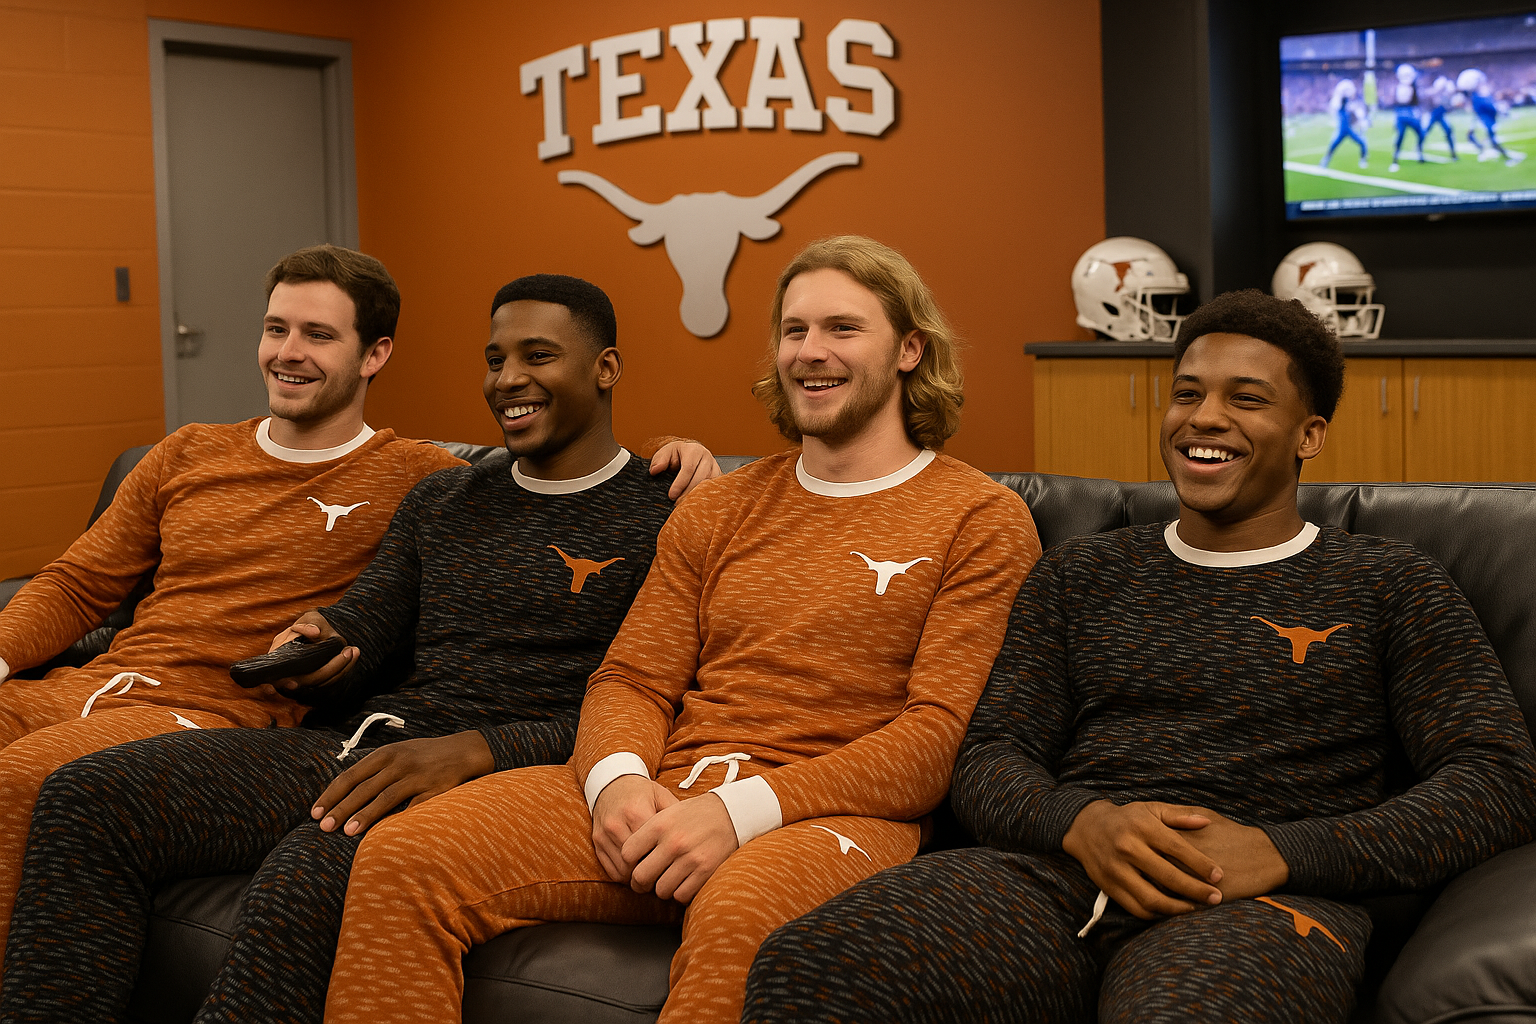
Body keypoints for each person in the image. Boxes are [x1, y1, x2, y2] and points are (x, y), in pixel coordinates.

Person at [741, 289, 1536, 1024]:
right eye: (1187, 394)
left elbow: (1497, 781)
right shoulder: (1081, 574)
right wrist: (1081, 822)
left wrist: (1285, 852)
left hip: (1257, 904)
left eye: (1247, 399)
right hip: (1049, 878)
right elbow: (990, 755)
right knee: (811, 965)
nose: (1205, 418)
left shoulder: (1389, 583)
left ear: (1310, 435)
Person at [318, 236, 1041, 1024]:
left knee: (742, 918)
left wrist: (738, 812)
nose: (810, 351)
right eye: (794, 330)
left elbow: (936, 737)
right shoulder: (719, 506)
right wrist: (617, 781)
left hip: (827, 813)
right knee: (403, 854)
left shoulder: (982, 519)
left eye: (843, 328)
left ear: (909, 350)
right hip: (664, 786)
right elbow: (632, 678)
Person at [0, 274, 720, 1023]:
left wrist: (477, 750)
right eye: (495, 360)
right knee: (89, 797)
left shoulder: (668, 513)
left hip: (511, 770)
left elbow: (644, 697)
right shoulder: (446, 497)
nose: (508, 380)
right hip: (361, 743)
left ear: (605, 368)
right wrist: (320, 647)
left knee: (304, 876)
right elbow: (364, 623)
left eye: (537, 356)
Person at [0, 244, 466, 966]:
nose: (288, 352)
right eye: (276, 329)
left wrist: (656, 458)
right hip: (90, 686)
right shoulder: (187, 452)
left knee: (23, 779)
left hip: (210, 716)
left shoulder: (423, 477)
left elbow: (549, 500)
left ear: (374, 355)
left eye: (318, 335)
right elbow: (78, 583)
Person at [1320, 78, 1368, 170]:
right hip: (1343, 131)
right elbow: (1339, 101)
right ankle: (1325, 161)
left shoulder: (1348, 108)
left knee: (1362, 143)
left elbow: (1354, 117)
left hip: (1348, 130)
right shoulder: (1340, 107)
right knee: (1333, 146)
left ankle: (1363, 160)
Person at [1387, 63, 1425, 173]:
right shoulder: (1400, 88)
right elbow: (1400, 101)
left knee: (1420, 134)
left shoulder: (1412, 87)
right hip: (1404, 115)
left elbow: (1415, 102)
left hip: (1409, 115)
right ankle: (1395, 159)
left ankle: (1419, 153)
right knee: (1400, 137)